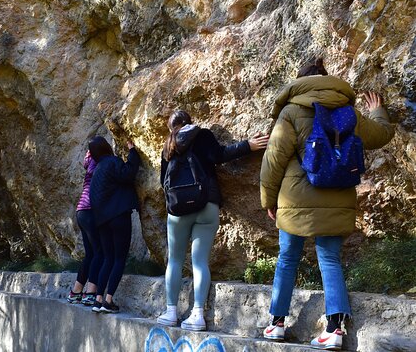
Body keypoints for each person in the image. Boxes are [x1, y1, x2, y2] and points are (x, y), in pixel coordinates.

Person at [260, 58, 394, 350]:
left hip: (295, 197)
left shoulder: (291, 111)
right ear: (326, 78)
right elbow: (381, 135)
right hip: (338, 194)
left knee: (287, 259)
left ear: (300, 81)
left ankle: (277, 324)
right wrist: (378, 112)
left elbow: (274, 160)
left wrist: (268, 199)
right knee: (330, 259)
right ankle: (335, 329)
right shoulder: (348, 111)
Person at [156, 110, 269, 330]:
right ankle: (198, 314)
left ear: (172, 127)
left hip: (178, 210)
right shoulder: (203, 134)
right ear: (190, 122)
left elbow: (163, 181)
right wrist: (248, 145)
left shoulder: (168, 145)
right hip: (206, 204)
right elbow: (220, 155)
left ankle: (171, 312)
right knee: (199, 262)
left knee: (176, 261)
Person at [88, 135, 141, 314]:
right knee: (119, 259)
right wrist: (133, 152)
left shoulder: (96, 172)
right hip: (118, 217)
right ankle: (108, 301)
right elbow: (128, 173)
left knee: (108, 258)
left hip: (101, 222)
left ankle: (98, 299)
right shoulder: (112, 162)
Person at [67, 150, 103, 305]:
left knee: (90, 254)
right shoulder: (97, 164)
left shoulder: (89, 163)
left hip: (81, 211)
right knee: (99, 252)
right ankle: (90, 292)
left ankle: (75, 292)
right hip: (90, 211)